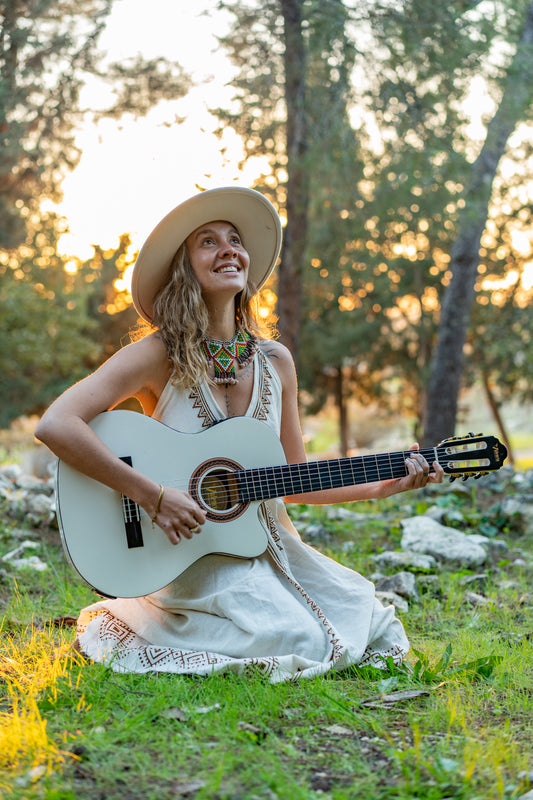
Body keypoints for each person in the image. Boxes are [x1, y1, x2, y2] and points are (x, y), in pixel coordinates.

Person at [36, 186, 444, 682]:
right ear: (183, 269)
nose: (230, 248)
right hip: (189, 553)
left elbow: (295, 479)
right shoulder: (156, 354)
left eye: (235, 239)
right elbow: (57, 424)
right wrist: (152, 495)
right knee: (296, 639)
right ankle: (158, 618)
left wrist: (387, 482)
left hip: (272, 549)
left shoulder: (276, 362)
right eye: (208, 241)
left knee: (369, 617)